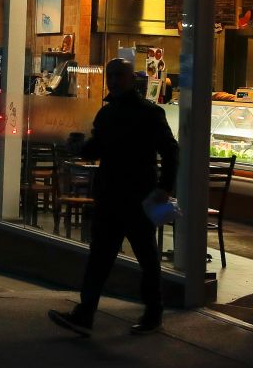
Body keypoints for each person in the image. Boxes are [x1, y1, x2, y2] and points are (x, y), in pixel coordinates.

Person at [47, 57, 179, 337]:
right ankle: (135, 313)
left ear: (131, 79)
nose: (114, 80)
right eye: (111, 75)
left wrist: (164, 187)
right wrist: (81, 147)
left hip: (126, 195)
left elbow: (170, 151)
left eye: (119, 75)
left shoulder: (131, 114)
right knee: (119, 256)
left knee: (123, 256)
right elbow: (98, 149)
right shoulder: (132, 114)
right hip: (124, 195)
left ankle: (101, 314)